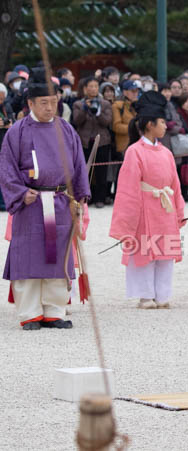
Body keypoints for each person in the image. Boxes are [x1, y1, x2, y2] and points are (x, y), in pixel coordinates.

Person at [1, 68, 90, 329]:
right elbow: (6, 169)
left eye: (54, 103)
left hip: (61, 200)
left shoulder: (66, 129)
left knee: (58, 256)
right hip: (31, 202)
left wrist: (80, 197)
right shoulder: (16, 132)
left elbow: (78, 165)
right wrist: (19, 192)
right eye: (44, 103)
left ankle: (55, 310)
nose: (50, 108)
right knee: (29, 255)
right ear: (30, 103)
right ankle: (29, 313)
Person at [108, 91, 186, 309]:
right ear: (150, 125)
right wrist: (127, 219)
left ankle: (162, 294)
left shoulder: (166, 152)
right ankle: (145, 295)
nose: (165, 125)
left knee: (164, 252)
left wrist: (179, 211)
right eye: (162, 122)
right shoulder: (134, 151)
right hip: (144, 207)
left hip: (165, 206)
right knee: (144, 251)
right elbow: (127, 188)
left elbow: (175, 185)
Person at [71, 77, 113, 208]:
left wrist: (98, 111)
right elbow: (77, 121)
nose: (93, 89)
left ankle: (100, 198)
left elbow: (107, 122)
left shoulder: (105, 103)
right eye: (90, 86)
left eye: (96, 86)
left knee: (101, 171)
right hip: (84, 141)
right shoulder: (78, 104)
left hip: (102, 141)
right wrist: (85, 108)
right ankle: (85, 196)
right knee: (84, 171)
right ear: (85, 88)